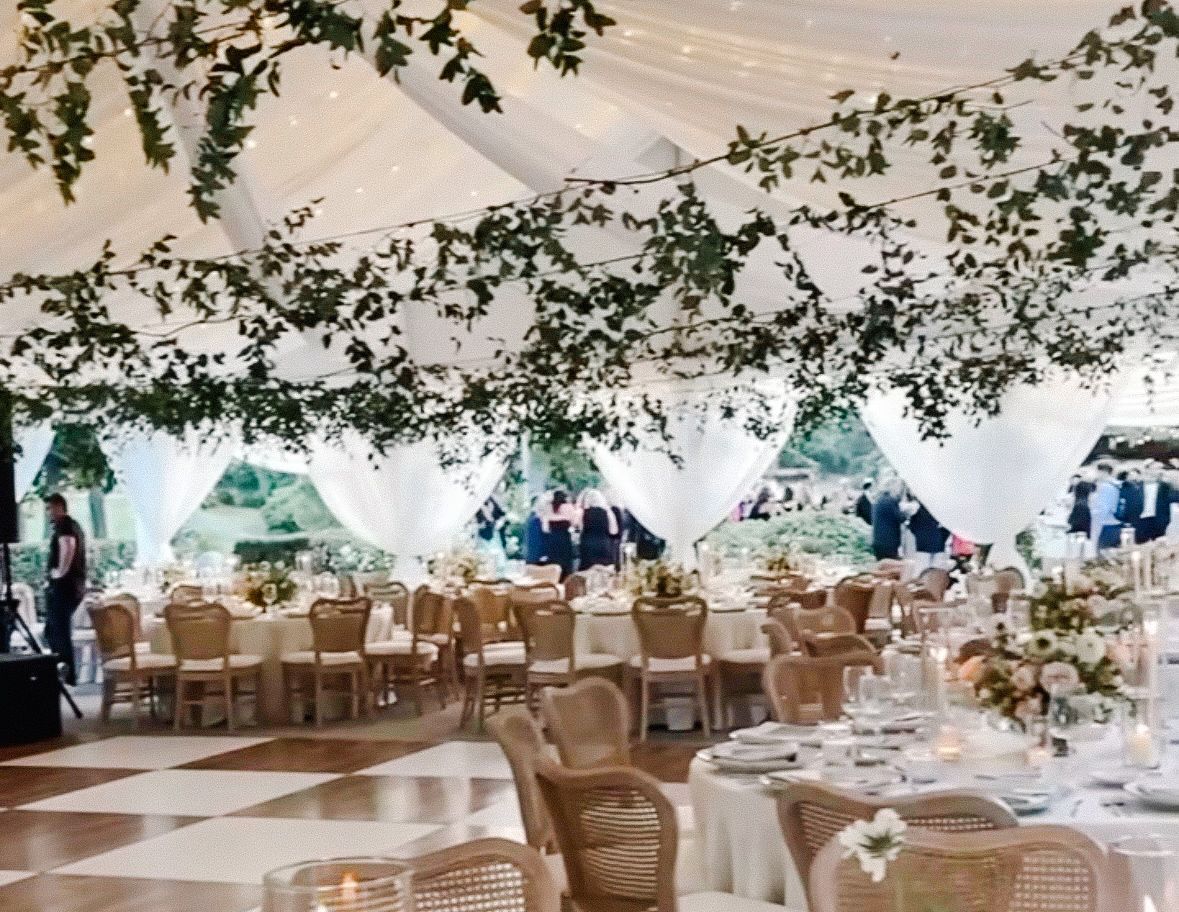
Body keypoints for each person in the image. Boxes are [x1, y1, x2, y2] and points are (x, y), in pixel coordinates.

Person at [44, 493, 86, 686]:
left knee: (58, 630)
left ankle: (65, 672)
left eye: (50, 508)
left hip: (64, 586)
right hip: (71, 585)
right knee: (55, 629)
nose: (48, 513)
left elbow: (68, 546)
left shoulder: (65, 526)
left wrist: (60, 572)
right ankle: (63, 670)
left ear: (59, 507)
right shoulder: (71, 525)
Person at [541, 489, 578, 579]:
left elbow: (545, 529)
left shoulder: (548, 508)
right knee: (565, 564)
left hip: (552, 539)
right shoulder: (568, 507)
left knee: (554, 564)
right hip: (564, 538)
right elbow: (574, 523)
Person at [578, 489, 618, 570]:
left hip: (587, 544)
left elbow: (580, 528)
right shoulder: (608, 512)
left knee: (587, 569)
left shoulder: (583, 512)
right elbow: (614, 531)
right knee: (604, 570)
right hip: (603, 544)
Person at [907, 500, 949, 571]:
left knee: (922, 570)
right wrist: (942, 539)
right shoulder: (941, 510)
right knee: (937, 570)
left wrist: (919, 535)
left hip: (922, 545)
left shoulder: (918, 510)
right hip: (939, 544)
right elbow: (947, 527)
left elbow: (912, 526)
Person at [1136, 461, 1172, 542]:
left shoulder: (1165, 486)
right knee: (1140, 544)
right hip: (1142, 520)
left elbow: (1171, 500)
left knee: (1159, 546)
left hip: (1158, 520)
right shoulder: (1138, 485)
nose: (1159, 471)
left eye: (1160, 469)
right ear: (1148, 470)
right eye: (1156, 469)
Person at [871, 479, 906, 561]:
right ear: (892, 488)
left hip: (879, 540)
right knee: (890, 567)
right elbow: (900, 518)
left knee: (882, 566)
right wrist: (907, 512)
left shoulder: (879, 500)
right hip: (888, 542)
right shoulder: (890, 501)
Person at [1091, 461, 1122, 551]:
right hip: (1117, 524)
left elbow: (1102, 510)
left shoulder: (1105, 487)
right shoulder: (1117, 485)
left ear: (1103, 472)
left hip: (1107, 526)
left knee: (1103, 558)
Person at [522, 492, 550, 565]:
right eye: (546, 503)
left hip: (530, 555)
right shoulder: (540, 518)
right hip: (539, 554)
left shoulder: (530, 518)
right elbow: (545, 532)